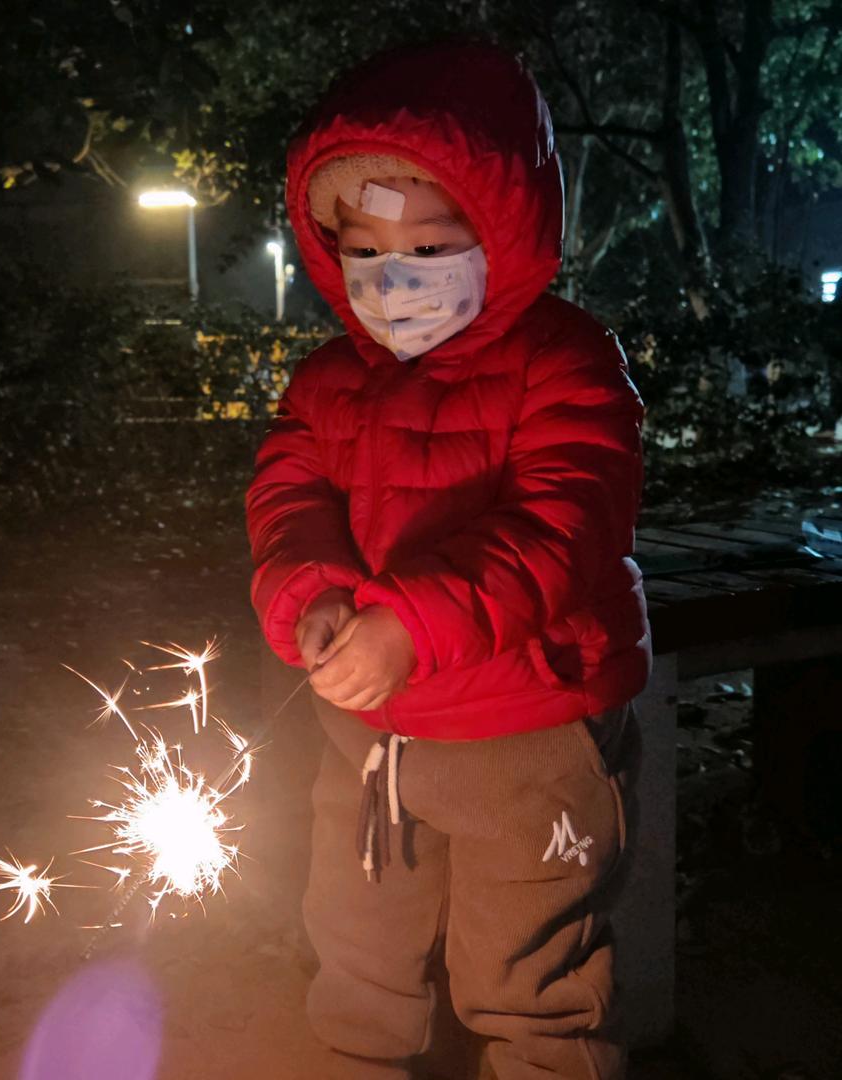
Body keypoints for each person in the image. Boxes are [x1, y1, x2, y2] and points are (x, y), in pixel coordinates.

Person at [246, 40, 651, 1080]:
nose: (395, 278)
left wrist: (414, 624)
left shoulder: (562, 362)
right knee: (356, 947)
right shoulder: (332, 382)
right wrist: (315, 597)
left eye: (431, 245)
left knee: (528, 976)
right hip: (371, 744)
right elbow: (289, 496)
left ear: (503, 233)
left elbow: (566, 528)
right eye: (364, 248)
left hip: (529, 733)